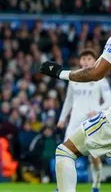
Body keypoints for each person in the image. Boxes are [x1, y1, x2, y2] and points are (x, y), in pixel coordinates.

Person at [40, 44, 111, 192]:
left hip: (96, 119)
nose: (85, 61)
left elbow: (105, 93)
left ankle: (96, 185)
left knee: (68, 153)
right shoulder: (75, 81)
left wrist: (59, 72)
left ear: (96, 59)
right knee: (67, 151)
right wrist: (62, 118)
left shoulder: (101, 81)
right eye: (83, 58)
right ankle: (61, 187)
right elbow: (68, 101)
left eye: (89, 58)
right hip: (75, 120)